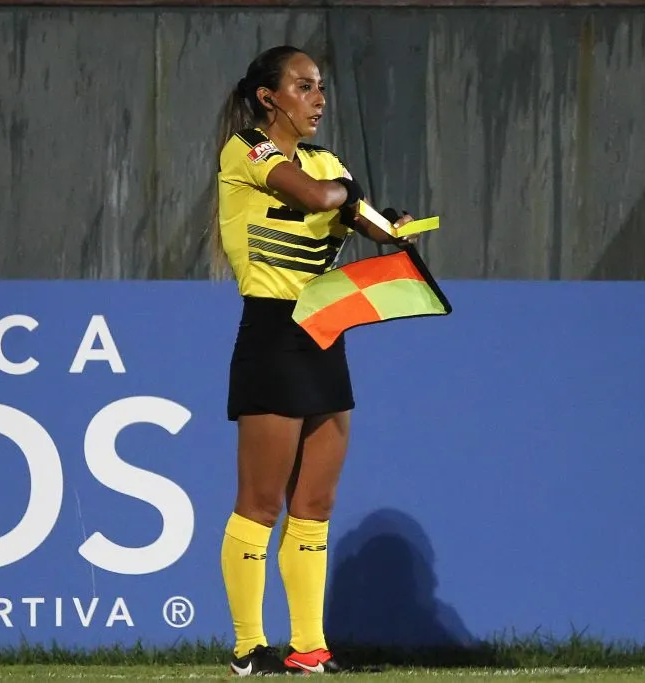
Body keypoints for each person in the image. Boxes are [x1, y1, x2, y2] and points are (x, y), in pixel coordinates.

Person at [210, 45, 415, 676]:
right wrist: (347, 198)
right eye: (304, 87)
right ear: (270, 97)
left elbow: (367, 220)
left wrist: (393, 227)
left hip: (325, 331)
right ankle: (249, 648)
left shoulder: (330, 160)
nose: (318, 98)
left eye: (320, 87)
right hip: (272, 335)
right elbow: (321, 197)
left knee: (316, 504)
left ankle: (309, 649)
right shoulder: (248, 150)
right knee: (261, 502)